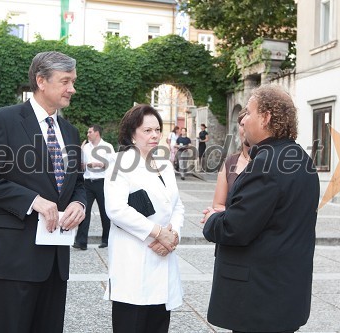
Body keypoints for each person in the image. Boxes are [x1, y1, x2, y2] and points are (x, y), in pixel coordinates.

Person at [0, 51, 87, 333]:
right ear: (41, 81)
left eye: (73, 81)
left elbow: (77, 182)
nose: (72, 89)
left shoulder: (70, 131)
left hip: (55, 259)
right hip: (12, 257)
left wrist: (80, 204)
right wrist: (33, 201)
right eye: (66, 81)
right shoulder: (3, 120)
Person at [202, 84, 320, 333]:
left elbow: (235, 229)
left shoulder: (265, 163)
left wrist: (214, 218)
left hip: (259, 301)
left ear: (266, 117)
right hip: (285, 294)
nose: (243, 118)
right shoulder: (300, 158)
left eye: (249, 112)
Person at [104, 104, 184, 333]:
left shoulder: (165, 165)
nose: (155, 135)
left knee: (158, 323)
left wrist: (173, 234)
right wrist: (158, 233)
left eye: (157, 129)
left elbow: (177, 205)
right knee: (132, 322)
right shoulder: (120, 163)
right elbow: (116, 209)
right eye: (147, 130)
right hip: (134, 258)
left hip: (163, 255)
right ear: (132, 134)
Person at [73, 124, 115, 250]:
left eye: (90, 132)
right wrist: (83, 163)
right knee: (84, 211)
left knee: (104, 212)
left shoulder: (108, 147)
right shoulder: (85, 147)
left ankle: (106, 240)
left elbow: (113, 165)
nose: (87, 134)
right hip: (87, 183)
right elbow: (80, 165)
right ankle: (81, 242)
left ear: (97, 133)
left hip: (102, 182)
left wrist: (100, 164)